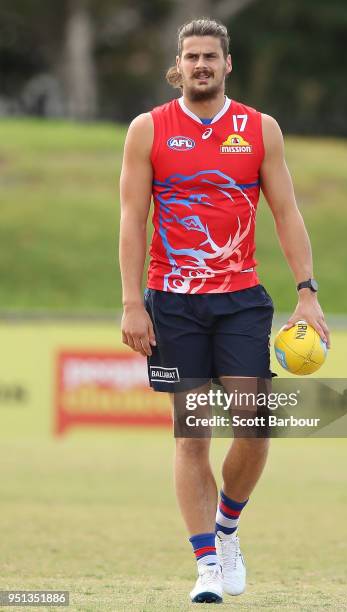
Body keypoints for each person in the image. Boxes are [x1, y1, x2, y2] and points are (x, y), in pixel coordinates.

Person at [119, 18, 330, 604]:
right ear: (178, 64)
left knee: (255, 428)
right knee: (191, 436)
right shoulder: (148, 130)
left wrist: (307, 290)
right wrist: (133, 302)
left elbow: (287, 212)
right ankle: (206, 565)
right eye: (192, 56)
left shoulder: (259, 130)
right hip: (172, 302)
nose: (201, 65)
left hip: (240, 299)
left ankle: (228, 528)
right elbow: (132, 219)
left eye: (211, 56)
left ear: (227, 64)